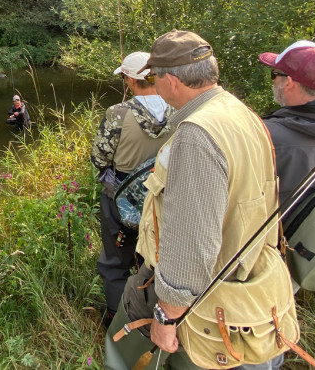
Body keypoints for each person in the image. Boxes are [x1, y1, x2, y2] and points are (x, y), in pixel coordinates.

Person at [105, 30, 280, 370]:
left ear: (170, 80)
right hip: (240, 280)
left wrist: (167, 314)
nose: (153, 83)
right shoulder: (239, 111)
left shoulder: (197, 135)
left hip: (202, 300)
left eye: (155, 76)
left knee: (129, 359)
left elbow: (192, 236)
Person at [91, 51, 172, 327]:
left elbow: (99, 158)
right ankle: (152, 315)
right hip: (163, 198)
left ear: (130, 80)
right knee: (152, 259)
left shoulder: (117, 114)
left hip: (121, 200)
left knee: (115, 262)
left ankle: (117, 320)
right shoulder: (178, 110)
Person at [258, 40, 315, 205]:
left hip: (279, 231)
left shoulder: (263, 135)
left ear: (288, 82)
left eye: (274, 74)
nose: (273, 81)